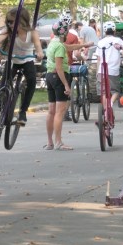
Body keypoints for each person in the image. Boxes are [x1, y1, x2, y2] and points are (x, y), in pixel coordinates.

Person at [0, 7, 44, 121]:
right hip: (13, 61)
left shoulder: (32, 33)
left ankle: (23, 111)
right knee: (3, 85)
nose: (10, 24)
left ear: (22, 20)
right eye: (8, 22)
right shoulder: (9, 33)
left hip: (27, 60)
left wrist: (39, 52)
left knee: (32, 81)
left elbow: (38, 45)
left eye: (12, 22)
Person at [43, 13, 75, 150]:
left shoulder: (52, 44)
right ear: (65, 32)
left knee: (51, 110)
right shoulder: (60, 47)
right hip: (58, 78)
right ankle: (58, 142)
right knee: (59, 112)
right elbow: (59, 67)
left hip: (49, 77)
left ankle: (50, 142)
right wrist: (66, 85)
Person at [96, 22, 123, 107]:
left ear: (104, 32)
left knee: (104, 92)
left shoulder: (100, 42)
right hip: (113, 71)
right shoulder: (118, 40)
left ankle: (106, 112)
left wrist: (97, 73)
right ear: (114, 31)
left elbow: (98, 59)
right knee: (115, 91)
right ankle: (111, 104)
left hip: (101, 71)